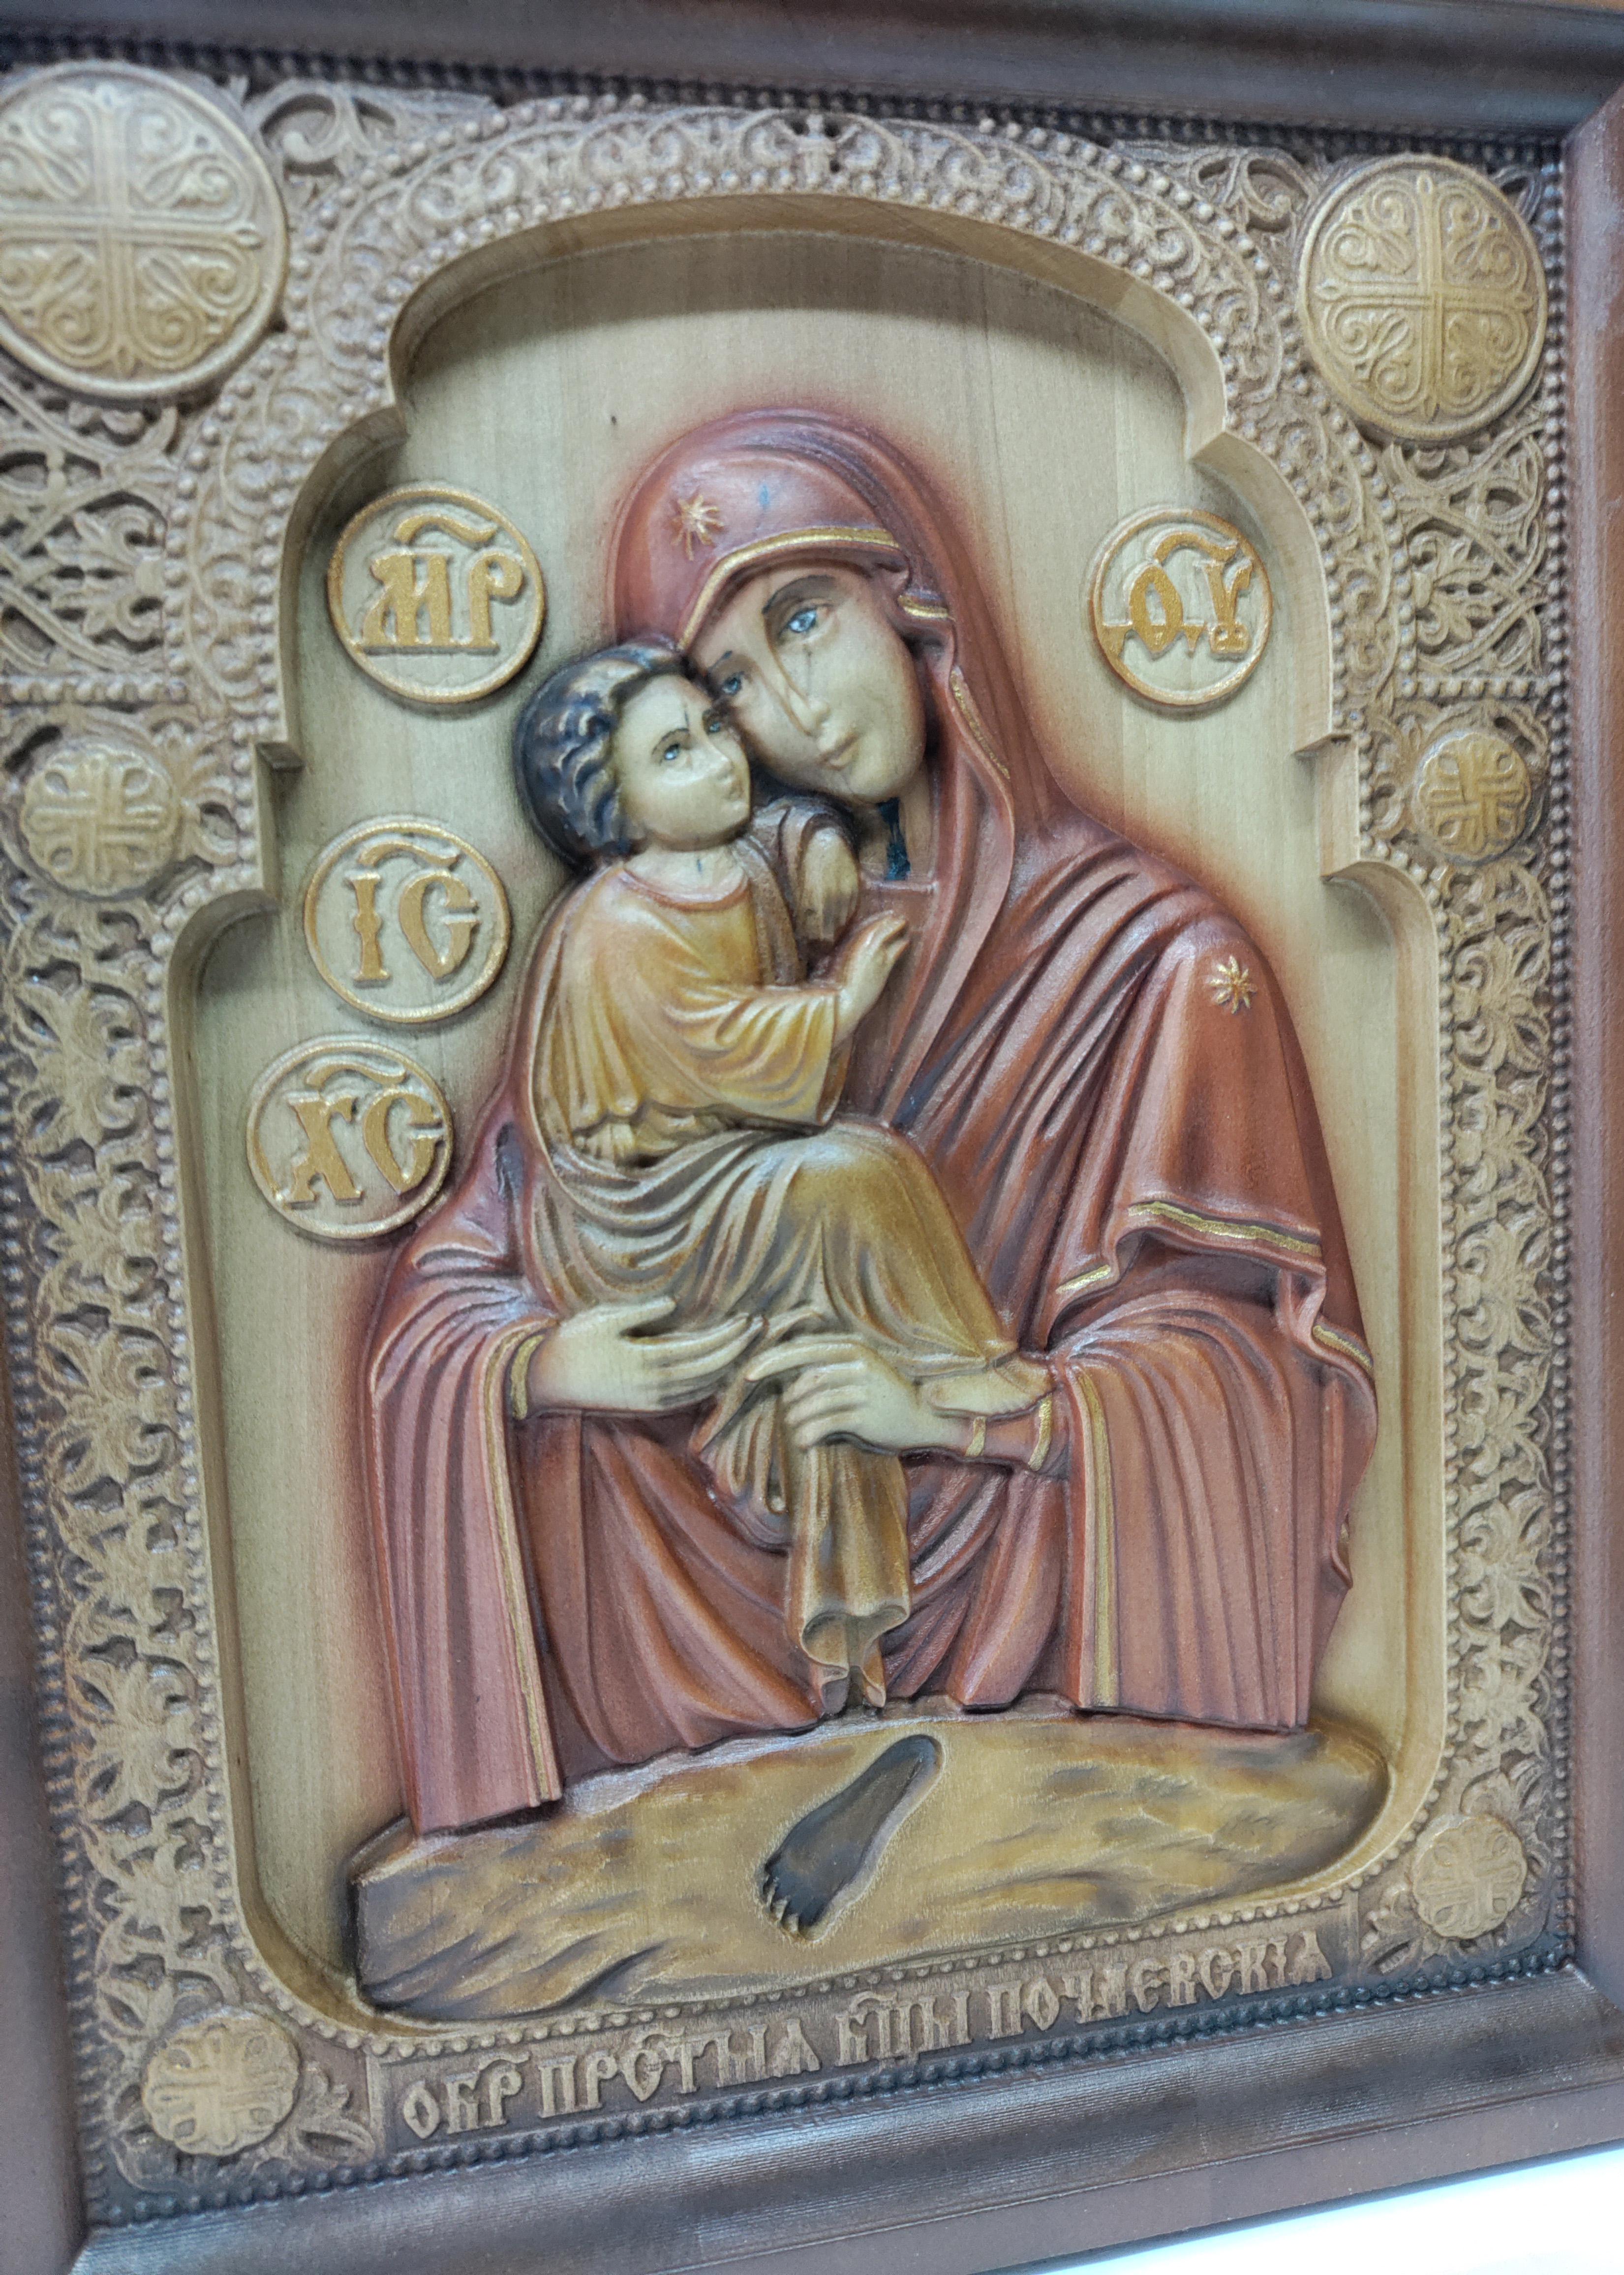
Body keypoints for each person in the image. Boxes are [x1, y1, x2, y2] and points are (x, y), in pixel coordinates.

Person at [364, 407, 1377, 1841]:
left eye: (803, 619)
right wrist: (543, 1366)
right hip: (688, 1649)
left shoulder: (1155, 961)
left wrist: (961, 1412)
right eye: (727, 683)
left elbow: (1242, 1381)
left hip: (1014, 1613)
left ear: (914, 601)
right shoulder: (660, 935)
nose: (789, 708)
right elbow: (470, 1278)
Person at [505, 633, 1043, 1711]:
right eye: (673, 754)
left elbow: (777, 839)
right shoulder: (617, 923)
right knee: (851, 1172)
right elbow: (717, 1048)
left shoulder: (731, 860)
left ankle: (844, 1565)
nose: (719, 759)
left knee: (837, 1274)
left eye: (713, 728)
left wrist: (818, 835)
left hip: (723, 1175)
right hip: (638, 1215)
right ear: (614, 806)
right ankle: (969, 1369)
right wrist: (842, 1005)